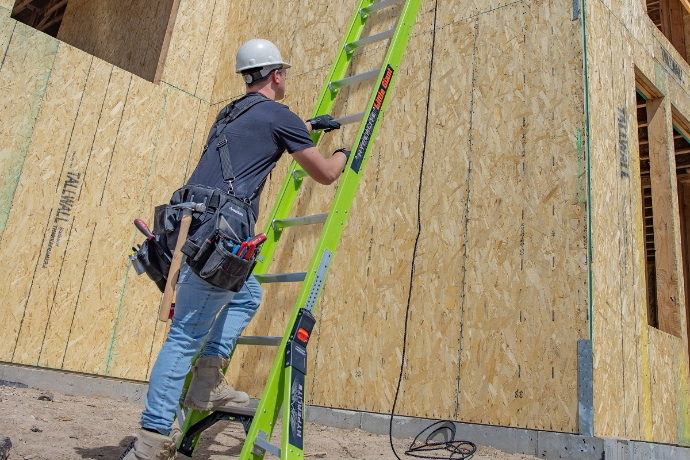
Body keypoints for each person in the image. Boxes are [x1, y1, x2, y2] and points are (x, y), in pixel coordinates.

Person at [121, 38, 349, 460]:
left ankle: (207, 380)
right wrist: (340, 151)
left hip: (189, 231)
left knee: (247, 295)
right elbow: (325, 175)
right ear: (277, 75)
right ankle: (151, 440)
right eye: (284, 72)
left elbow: (252, 146)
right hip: (219, 240)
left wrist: (304, 130)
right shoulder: (280, 116)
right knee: (185, 335)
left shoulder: (229, 113)